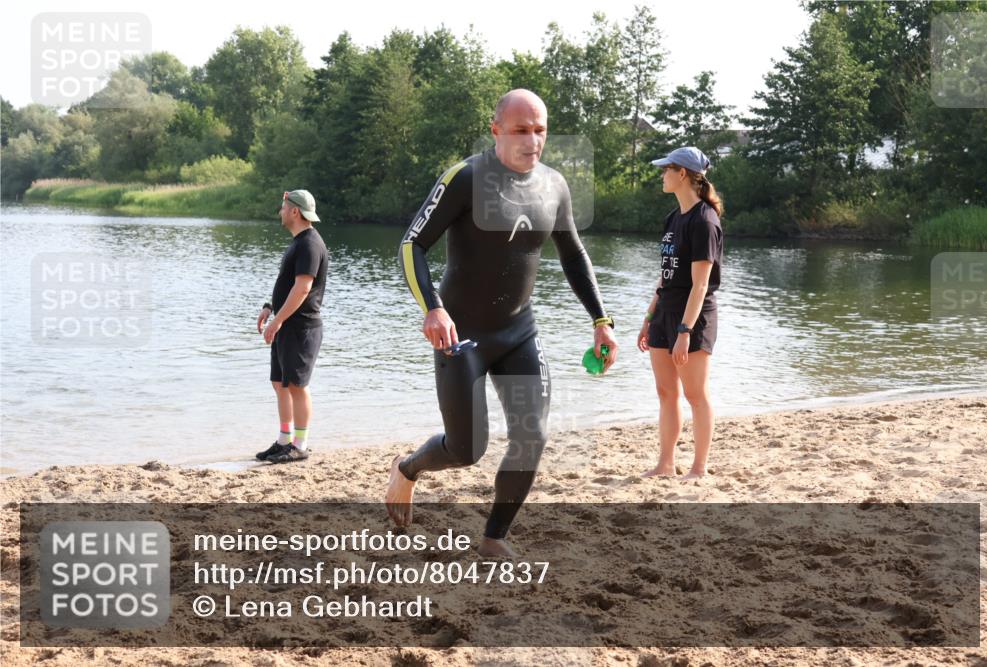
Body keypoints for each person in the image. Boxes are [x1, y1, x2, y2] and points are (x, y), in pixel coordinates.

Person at [385, 89, 618, 557]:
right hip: (461, 335)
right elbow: (412, 245)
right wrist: (433, 307)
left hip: (518, 332)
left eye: (540, 130)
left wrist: (600, 319)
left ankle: (493, 537)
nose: (532, 140)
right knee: (466, 450)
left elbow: (574, 255)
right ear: (496, 131)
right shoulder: (466, 178)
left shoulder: (554, 185)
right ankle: (408, 469)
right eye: (520, 130)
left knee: (532, 437)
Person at [636, 147, 723, 480]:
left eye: (666, 169)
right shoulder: (673, 219)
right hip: (665, 313)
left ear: (682, 174)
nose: (662, 175)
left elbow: (700, 286)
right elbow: (666, 274)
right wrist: (648, 318)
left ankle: (699, 468)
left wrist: (685, 331)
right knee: (665, 392)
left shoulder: (705, 221)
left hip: (693, 317)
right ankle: (666, 464)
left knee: (694, 394)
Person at [255, 190, 329, 464]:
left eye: (283, 207)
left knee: (297, 385)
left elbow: (302, 289)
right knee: (279, 383)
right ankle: (284, 440)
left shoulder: (310, 244)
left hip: (302, 327)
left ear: (295, 212)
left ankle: (300, 444)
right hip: (287, 325)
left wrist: (277, 321)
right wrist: (269, 307)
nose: (280, 212)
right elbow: (286, 284)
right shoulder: (298, 242)